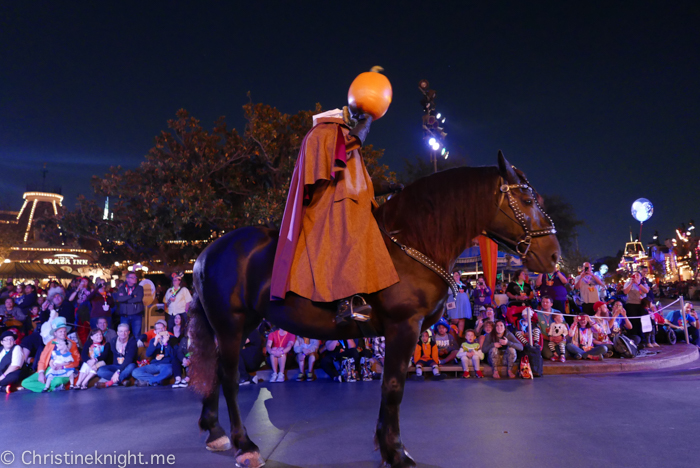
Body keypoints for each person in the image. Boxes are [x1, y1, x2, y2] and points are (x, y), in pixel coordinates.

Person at [270, 107, 400, 321]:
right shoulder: (324, 132)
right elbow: (342, 150)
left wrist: (390, 186)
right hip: (330, 206)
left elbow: (361, 183)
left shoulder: (342, 136)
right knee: (349, 235)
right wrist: (364, 126)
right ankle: (345, 303)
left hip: (350, 202)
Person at [21, 317, 81, 392]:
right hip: (50, 369)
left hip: (66, 370)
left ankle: (48, 387)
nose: (63, 333)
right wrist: (41, 373)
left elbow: (76, 361)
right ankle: (53, 388)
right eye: (60, 331)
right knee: (26, 382)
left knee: (57, 381)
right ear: (55, 333)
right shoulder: (50, 344)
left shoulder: (72, 343)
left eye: (64, 331)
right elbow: (42, 360)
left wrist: (62, 366)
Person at [96, 323, 138, 388]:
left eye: (125, 331)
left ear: (129, 332)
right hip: (115, 366)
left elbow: (129, 359)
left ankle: (109, 383)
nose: (123, 333)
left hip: (126, 366)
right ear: (117, 332)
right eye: (121, 331)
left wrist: (118, 372)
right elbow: (107, 356)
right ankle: (122, 381)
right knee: (100, 371)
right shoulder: (113, 341)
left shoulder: (132, 341)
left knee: (132, 366)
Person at [114, 272, 145, 338]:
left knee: (137, 335)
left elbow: (138, 299)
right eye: (132, 277)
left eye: (135, 277)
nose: (135, 278)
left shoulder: (139, 288)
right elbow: (119, 299)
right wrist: (132, 296)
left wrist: (125, 299)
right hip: (125, 315)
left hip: (136, 314)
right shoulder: (122, 288)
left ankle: (137, 348)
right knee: (123, 335)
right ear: (127, 279)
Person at [623, 272, 650, 343]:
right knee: (634, 322)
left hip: (641, 305)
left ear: (641, 277)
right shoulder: (628, 283)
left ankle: (644, 339)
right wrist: (631, 283)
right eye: (634, 274)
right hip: (631, 304)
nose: (635, 276)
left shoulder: (643, 283)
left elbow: (646, 291)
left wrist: (638, 283)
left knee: (643, 322)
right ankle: (635, 338)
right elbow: (625, 292)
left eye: (637, 275)